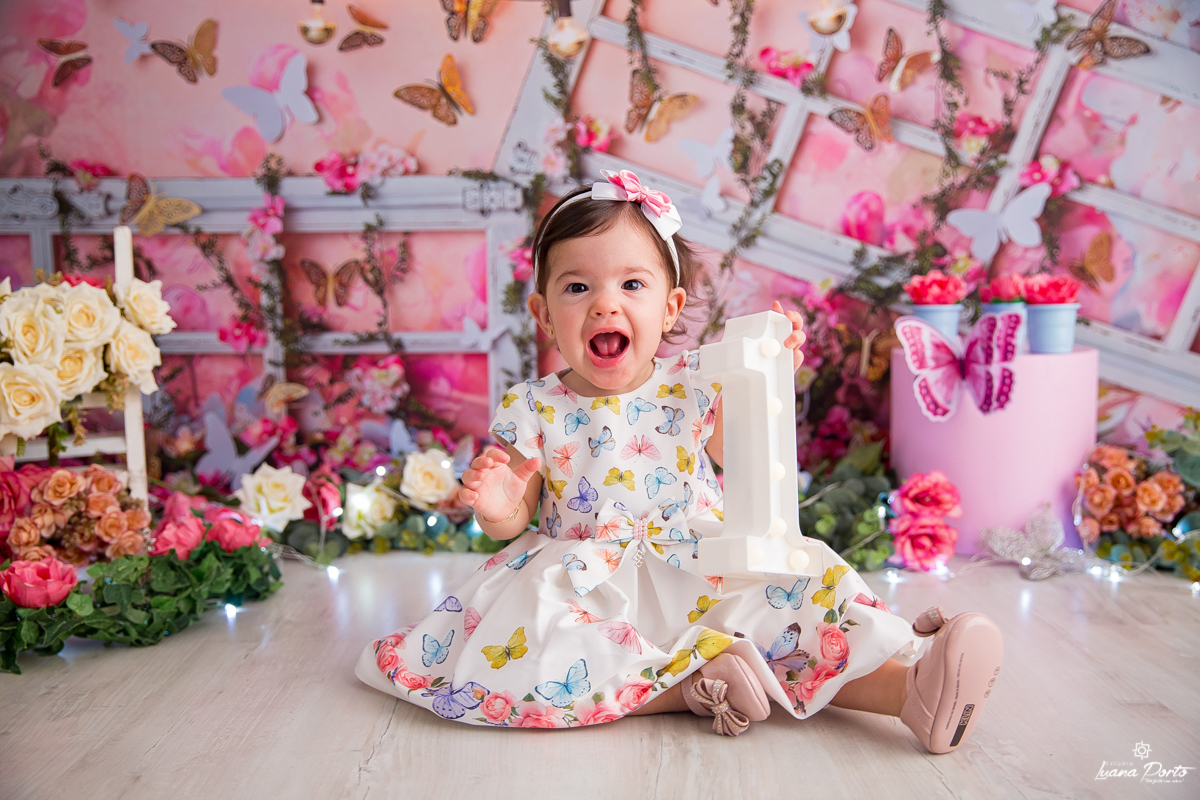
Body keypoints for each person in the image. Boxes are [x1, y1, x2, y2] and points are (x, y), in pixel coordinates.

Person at [355, 170, 1003, 750]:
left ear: (668, 310)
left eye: (631, 284)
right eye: (578, 286)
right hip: (584, 570)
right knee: (546, 644)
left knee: (783, 604)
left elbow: (737, 451)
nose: (606, 303)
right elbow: (516, 514)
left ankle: (909, 690)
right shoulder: (534, 405)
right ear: (544, 314)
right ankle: (690, 685)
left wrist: (765, 379)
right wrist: (497, 507)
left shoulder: (693, 383)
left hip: (695, 557)